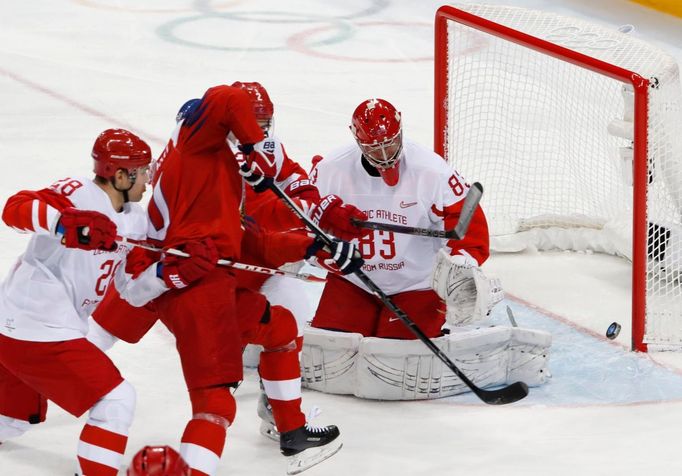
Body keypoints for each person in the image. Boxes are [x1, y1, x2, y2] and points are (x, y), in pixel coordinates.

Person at [94, 84, 362, 476]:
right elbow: (224, 98)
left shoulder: (214, 164)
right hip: (194, 289)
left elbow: (248, 234)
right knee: (214, 405)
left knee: (281, 327)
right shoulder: (200, 148)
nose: (259, 132)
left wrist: (310, 246)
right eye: (251, 126)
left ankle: (291, 428)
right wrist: (251, 150)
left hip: (177, 273)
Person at [301, 98, 551, 400]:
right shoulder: (331, 169)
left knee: (394, 365)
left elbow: (468, 224)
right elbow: (303, 216)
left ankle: (458, 332)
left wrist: (461, 265)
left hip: (416, 285)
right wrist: (322, 251)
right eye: (373, 147)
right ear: (357, 140)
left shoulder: (430, 170)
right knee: (333, 354)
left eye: (390, 144)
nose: (384, 154)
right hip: (354, 281)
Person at [0, 129, 152, 475]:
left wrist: (170, 272)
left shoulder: (136, 221)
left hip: (20, 329)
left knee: (11, 419)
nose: (148, 179)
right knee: (116, 400)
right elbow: (14, 209)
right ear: (120, 175)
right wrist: (62, 224)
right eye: (143, 171)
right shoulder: (76, 193)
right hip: (37, 326)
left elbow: (131, 289)